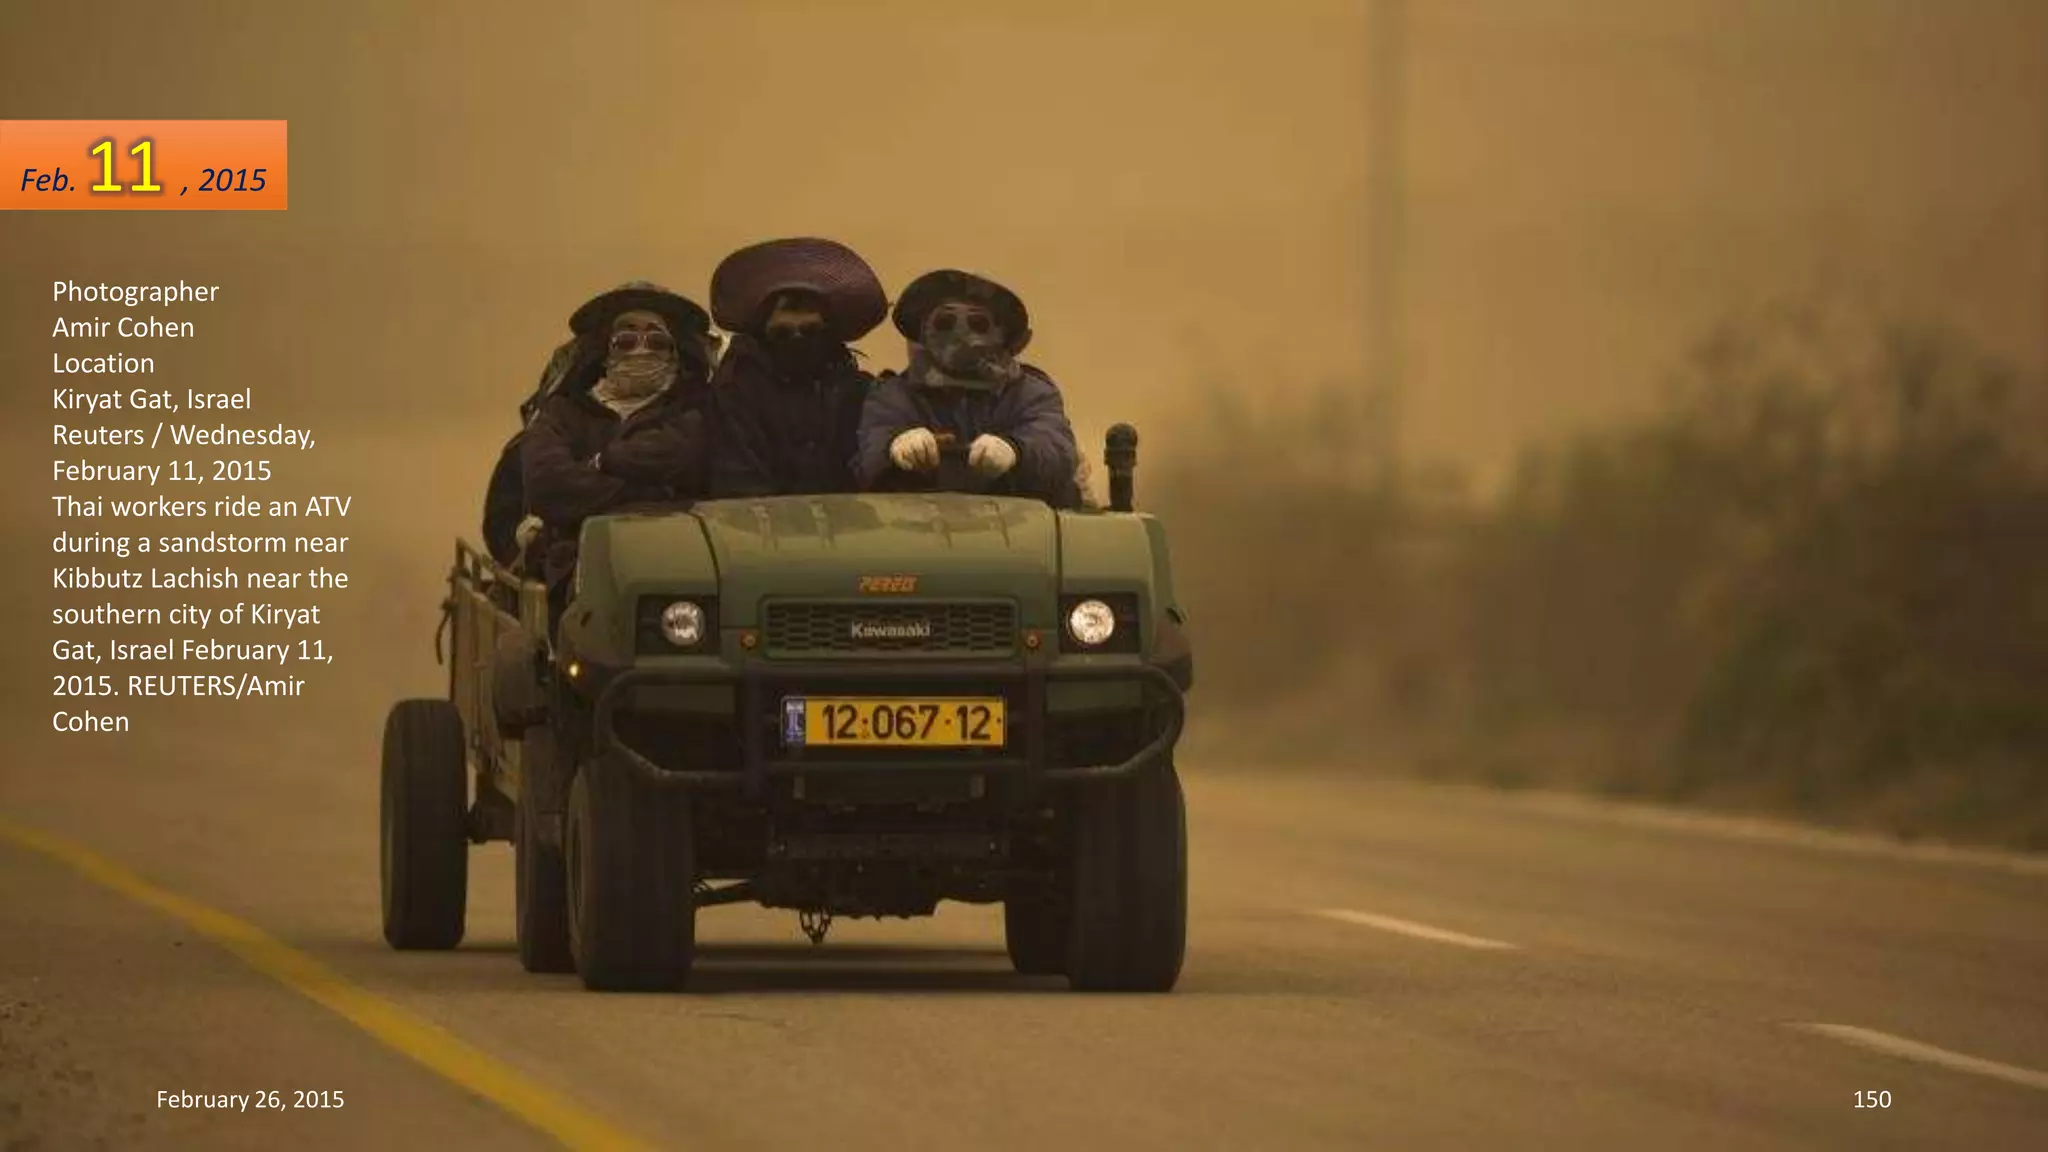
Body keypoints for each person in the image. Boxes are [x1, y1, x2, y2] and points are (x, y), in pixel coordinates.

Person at [481, 282, 719, 568]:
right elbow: (548, 489)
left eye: (656, 342)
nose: (641, 350)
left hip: (678, 564)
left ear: (675, 353)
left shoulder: (697, 410)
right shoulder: (562, 413)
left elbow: (689, 462)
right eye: (626, 341)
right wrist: (652, 491)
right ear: (605, 352)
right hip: (575, 570)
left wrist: (595, 469)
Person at [855, 269, 1082, 507]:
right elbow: (869, 450)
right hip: (921, 531)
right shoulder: (894, 394)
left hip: (1021, 531)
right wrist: (893, 446)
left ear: (1002, 333)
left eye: (978, 323)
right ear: (923, 330)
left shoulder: (1030, 393)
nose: (960, 335)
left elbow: (1055, 445)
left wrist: (1016, 450)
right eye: (945, 322)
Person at [705, 238, 888, 496]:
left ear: (830, 333)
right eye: (782, 333)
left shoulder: (860, 391)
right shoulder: (735, 391)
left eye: (811, 331)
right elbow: (737, 477)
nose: (798, 341)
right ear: (762, 334)